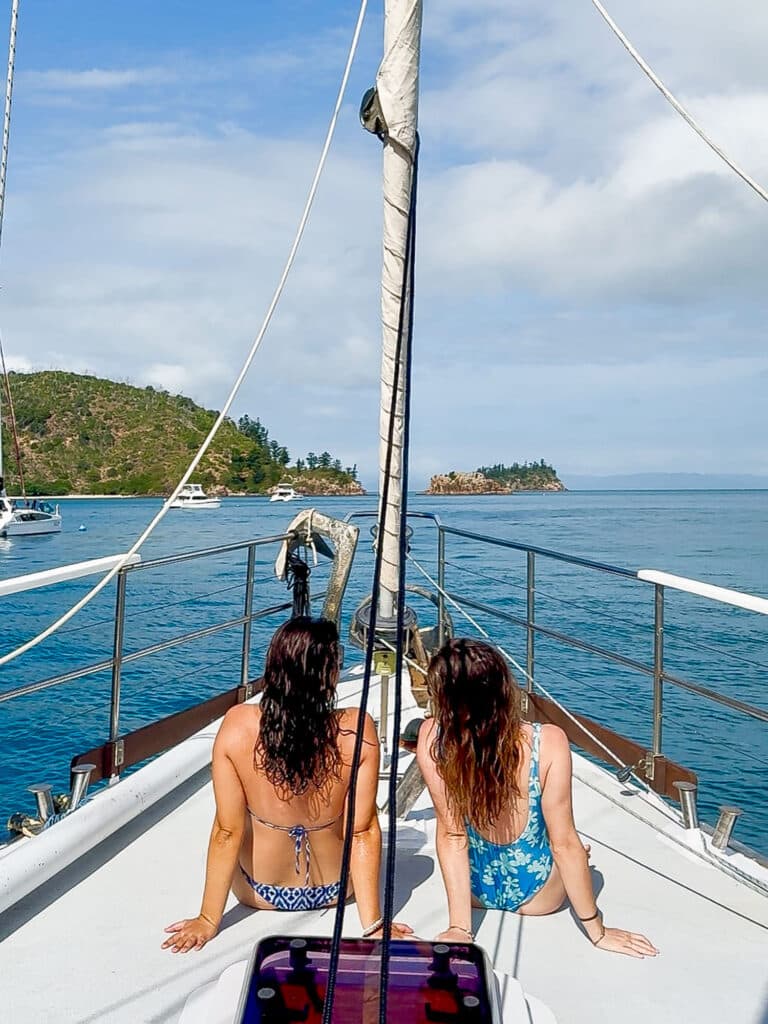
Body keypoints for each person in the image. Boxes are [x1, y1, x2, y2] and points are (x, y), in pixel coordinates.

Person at [163, 616, 411, 953]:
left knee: (231, 819)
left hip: (257, 893)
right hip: (336, 890)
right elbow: (362, 831)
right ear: (331, 675)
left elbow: (227, 832)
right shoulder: (357, 729)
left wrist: (207, 919)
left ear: (274, 668)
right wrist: (374, 924)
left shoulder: (237, 725)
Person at [416, 638, 658, 958]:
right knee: (573, 847)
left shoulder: (433, 736)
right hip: (540, 896)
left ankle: (463, 920)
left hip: (474, 890)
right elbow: (564, 843)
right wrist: (596, 929)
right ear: (504, 689)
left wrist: (460, 928)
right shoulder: (548, 741)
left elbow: (452, 834)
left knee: (458, 830)